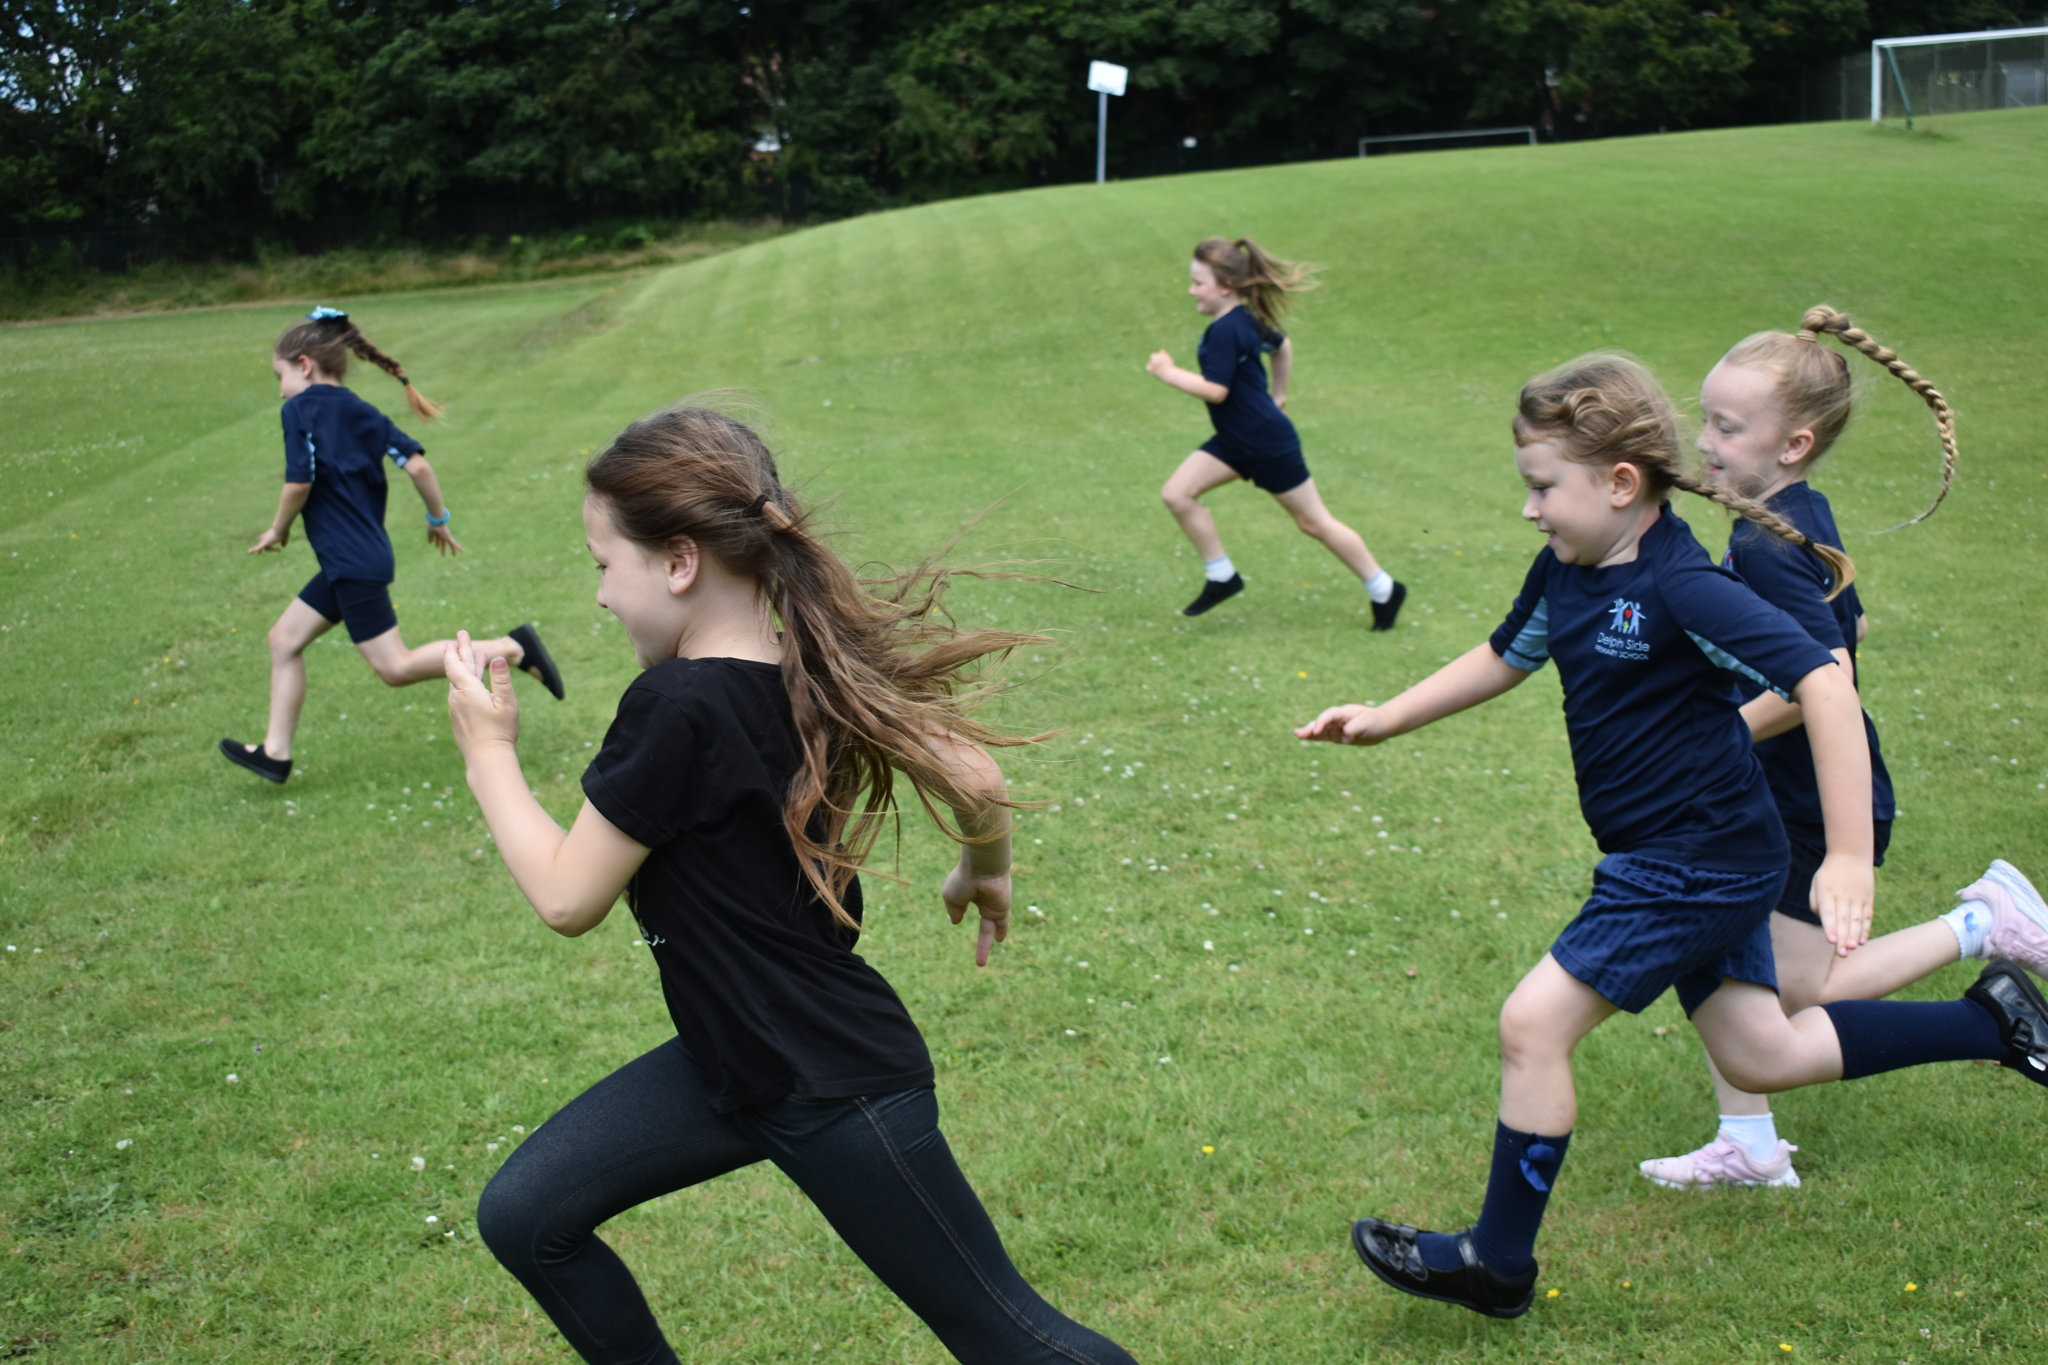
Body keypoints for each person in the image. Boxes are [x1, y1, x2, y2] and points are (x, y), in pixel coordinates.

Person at [1296, 355, 2048, 1320]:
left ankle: (1498, 1263)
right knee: (1759, 1055)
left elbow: (1825, 679)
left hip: (1695, 860)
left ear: (1619, 485)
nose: (1529, 510)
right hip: (1702, 849)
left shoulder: (1683, 586)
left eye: (1541, 488)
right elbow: (1504, 654)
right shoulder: (1565, 570)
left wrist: (1851, 855)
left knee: (1532, 1024)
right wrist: (1387, 714)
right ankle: (1992, 1019)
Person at [443, 404, 1137, 1365]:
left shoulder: (677, 705)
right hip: (737, 1059)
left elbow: (568, 898)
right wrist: (987, 866)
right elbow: (978, 777)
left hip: (829, 1084)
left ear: (680, 560)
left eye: (605, 565)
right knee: (526, 1214)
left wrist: (488, 751)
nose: (600, 596)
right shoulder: (804, 665)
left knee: (1015, 1340)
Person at [1641, 306, 2048, 1190]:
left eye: (1727, 426)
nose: (1704, 439)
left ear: (1792, 444)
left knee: (1805, 984)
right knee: (1717, 951)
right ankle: (1746, 1141)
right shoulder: (1789, 513)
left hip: (1811, 799)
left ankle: (1985, 923)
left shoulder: (1765, 545)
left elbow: (1822, 678)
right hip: (1780, 791)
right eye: (1704, 416)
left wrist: (1717, 734)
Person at [220, 307, 562, 784]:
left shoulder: (299, 409)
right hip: (357, 557)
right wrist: (437, 519)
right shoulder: (364, 411)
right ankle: (275, 753)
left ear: (303, 364)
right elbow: (419, 467)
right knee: (284, 639)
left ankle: (511, 648)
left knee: (396, 667)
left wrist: (277, 529)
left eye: (279, 376)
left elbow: (299, 481)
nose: (279, 389)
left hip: (351, 562)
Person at [1146, 237, 1405, 624]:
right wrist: (1277, 395)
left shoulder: (1225, 330)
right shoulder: (1245, 319)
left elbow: (1217, 391)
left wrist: (1169, 373)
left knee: (1313, 522)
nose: (1191, 290)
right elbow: (1282, 347)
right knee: (1177, 493)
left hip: (1266, 443)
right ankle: (1222, 575)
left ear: (1225, 286)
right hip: (1237, 440)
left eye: (1198, 282)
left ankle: (1384, 588)